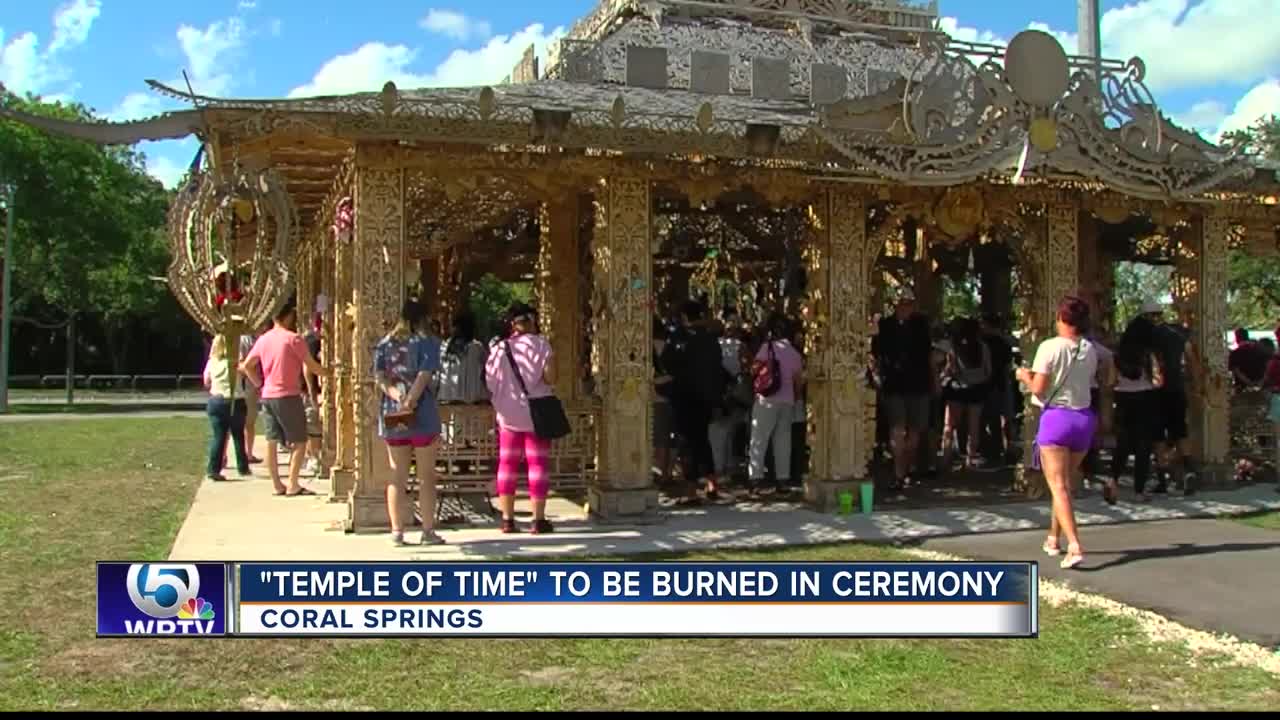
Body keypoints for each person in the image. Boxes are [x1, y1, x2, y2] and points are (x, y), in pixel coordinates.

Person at [1016, 295, 1100, 570]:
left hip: (1057, 419)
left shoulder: (1049, 347)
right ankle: (1053, 538)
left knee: (1059, 485)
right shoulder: (1090, 349)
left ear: (1063, 320)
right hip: (1083, 419)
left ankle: (1074, 545)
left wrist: (1023, 375)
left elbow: (1039, 388)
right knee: (1063, 485)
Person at [374, 300, 445, 546]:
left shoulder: (385, 344)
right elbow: (425, 375)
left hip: (393, 414)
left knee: (397, 475)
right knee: (426, 475)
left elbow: (380, 377)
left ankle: (397, 531)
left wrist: (397, 396)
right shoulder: (429, 342)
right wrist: (411, 400)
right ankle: (427, 531)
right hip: (423, 414)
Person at [240, 303, 328, 497]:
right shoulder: (293, 339)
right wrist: (330, 373)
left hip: (268, 395)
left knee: (272, 440)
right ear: (288, 317)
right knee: (299, 440)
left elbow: (247, 365)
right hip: (288, 394)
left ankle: (277, 484)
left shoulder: (263, 340)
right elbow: (311, 365)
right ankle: (293, 483)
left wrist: (259, 384)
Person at [485, 302, 557, 534]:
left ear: (512, 324)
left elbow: (490, 382)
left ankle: (507, 519)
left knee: (507, 465)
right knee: (537, 464)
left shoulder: (499, 349)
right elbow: (551, 377)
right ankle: (538, 520)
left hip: (508, 415)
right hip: (536, 415)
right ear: (532, 321)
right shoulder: (542, 345)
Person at [668, 300, 728, 503]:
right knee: (703, 441)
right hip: (705, 399)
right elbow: (717, 369)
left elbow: (668, 364)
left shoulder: (679, 338)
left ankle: (691, 490)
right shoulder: (711, 339)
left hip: (684, 397)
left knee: (687, 443)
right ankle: (712, 484)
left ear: (684, 316)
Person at [872, 291, 933, 490]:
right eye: (902, 303)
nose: (906, 307)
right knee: (897, 429)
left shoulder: (921, 325)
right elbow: (877, 354)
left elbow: (929, 354)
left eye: (909, 304)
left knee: (915, 431)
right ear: (896, 305)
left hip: (918, 384)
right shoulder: (885, 325)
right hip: (894, 384)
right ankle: (899, 472)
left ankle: (907, 468)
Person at [747, 314, 805, 495]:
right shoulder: (795, 354)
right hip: (787, 401)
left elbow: (754, 369)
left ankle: (755, 479)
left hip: (767, 400)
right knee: (783, 440)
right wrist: (794, 399)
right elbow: (798, 383)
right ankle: (783, 481)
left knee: (759, 438)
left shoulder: (767, 348)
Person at [1145, 301, 1198, 495]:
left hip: (1156, 392)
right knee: (1180, 431)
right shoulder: (1178, 334)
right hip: (1177, 389)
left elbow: (1150, 364)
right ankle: (1189, 470)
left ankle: (1162, 480)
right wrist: (1196, 383)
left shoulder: (1149, 336)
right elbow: (1191, 359)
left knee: (1158, 437)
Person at [1111, 314, 1164, 502]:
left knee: (1123, 443)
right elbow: (1159, 380)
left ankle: (1113, 482)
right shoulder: (1149, 354)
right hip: (1145, 398)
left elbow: (1111, 379)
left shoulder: (1118, 353)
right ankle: (1138, 491)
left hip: (1123, 397)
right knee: (1143, 445)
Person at [941, 317, 992, 470]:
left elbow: (951, 370)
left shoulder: (954, 348)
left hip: (957, 389)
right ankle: (971, 457)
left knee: (949, 424)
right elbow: (988, 370)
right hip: (977, 389)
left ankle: (946, 456)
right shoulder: (982, 347)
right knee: (974, 425)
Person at [202, 334, 251, 482]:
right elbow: (246, 374)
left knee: (219, 436)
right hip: (235, 399)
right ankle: (242, 466)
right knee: (238, 434)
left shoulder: (212, 362)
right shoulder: (236, 362)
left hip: (216, 400)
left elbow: (206, 381)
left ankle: (213, 469)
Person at [979, 314, 1016, 464]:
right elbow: (1008, 365)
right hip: (1002, 382)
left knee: (990, 418)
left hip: (988, 383)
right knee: (1005, 417)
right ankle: (1008, 448)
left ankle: (993, 450)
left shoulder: (983, 342)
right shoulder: (1005, 343)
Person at [437, 312, 488, 405]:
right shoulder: (476, 348)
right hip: (472, 402)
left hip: (447, 401)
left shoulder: (444, 347)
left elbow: (437, 373)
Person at [652, 318, 678, 486]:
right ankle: (669, 471)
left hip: (656, 397)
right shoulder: (672, 346)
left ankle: (662, 473)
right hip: (674, 396)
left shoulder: (647, 347)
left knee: (660, 438)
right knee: (673, 437)